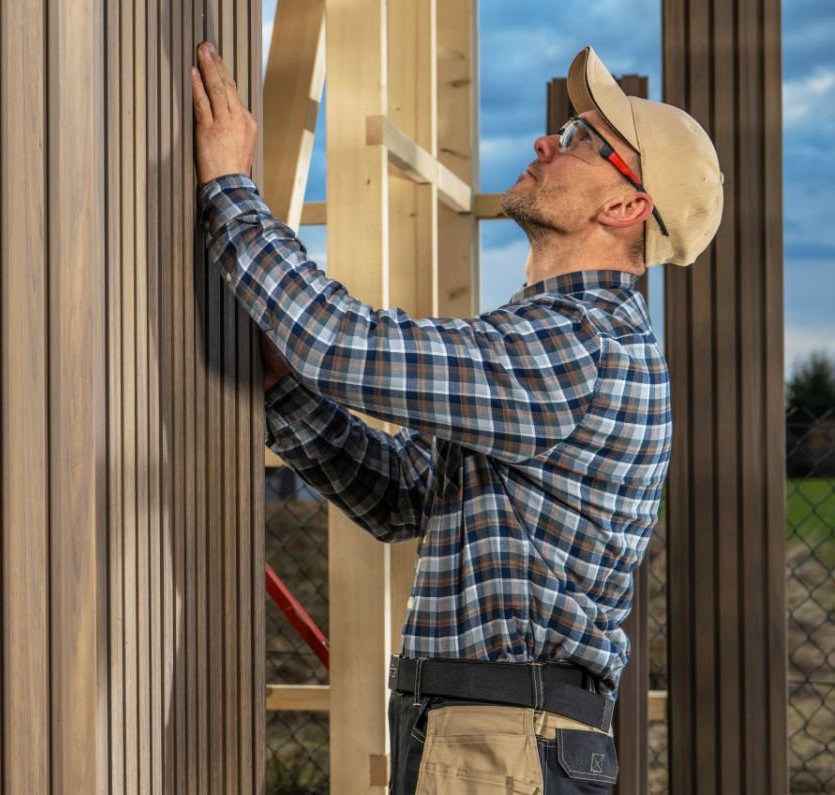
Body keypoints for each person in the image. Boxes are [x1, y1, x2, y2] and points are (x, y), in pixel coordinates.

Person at [190, 40, 722, 795]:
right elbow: (403, 493)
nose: (547, 141)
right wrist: (285, 387)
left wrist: (231, 188)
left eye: (580, 141)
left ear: (627, 205)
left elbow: (342, 343)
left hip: (502, 741)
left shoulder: (578, 345)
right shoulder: (552, 341)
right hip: (486, 734)